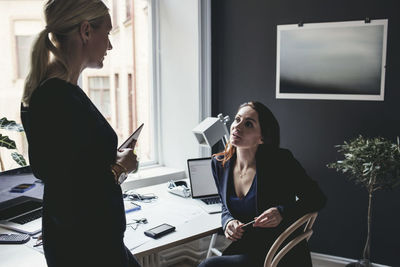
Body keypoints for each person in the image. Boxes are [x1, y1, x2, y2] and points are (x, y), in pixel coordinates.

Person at [20, 1, 141, 266]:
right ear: (86, 31)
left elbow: (76, 169)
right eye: (107, 34)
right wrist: (118, 169)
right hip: (85, 247)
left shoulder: (61, 92)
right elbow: (68, 189)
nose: (109, 45)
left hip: (94, 240)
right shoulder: (55, 98)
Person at [198, 101, 326, 267]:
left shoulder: (281, 161)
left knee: (207, 266)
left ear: (262, 137)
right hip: (248, 246)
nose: (237, 127)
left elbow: (317, 198)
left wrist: (282, 212)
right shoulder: (219, 163)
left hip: (279, 249)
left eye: (248, 124)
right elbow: (224, 205)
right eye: (237, 119)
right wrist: (228, 221)